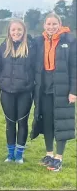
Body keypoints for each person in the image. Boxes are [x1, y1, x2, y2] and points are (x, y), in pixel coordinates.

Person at [31, 13, 76, 171]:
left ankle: (59, 158)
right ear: (44, 25)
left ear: (60, 24)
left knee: (61, 123)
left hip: (62, 89)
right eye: (48, 24)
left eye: (54, 24)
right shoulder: (39, 41)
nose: (51, 27)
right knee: (48, 122)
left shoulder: (69, 41)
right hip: (45, 89)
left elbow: (74, 67)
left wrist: (73, 91)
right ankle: (49, 154)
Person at [0, 19, 36, 164]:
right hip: (6, 91)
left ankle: (19, 155)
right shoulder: (2, 47)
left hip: (25, 91)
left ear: (24, 31)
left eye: (19, 30)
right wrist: (2, 82)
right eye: (13, 30)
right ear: (9, 31)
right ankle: (10, 154)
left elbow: (36, 68)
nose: (16, 32)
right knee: (10, 123)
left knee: (22, 122)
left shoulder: (31, 47)